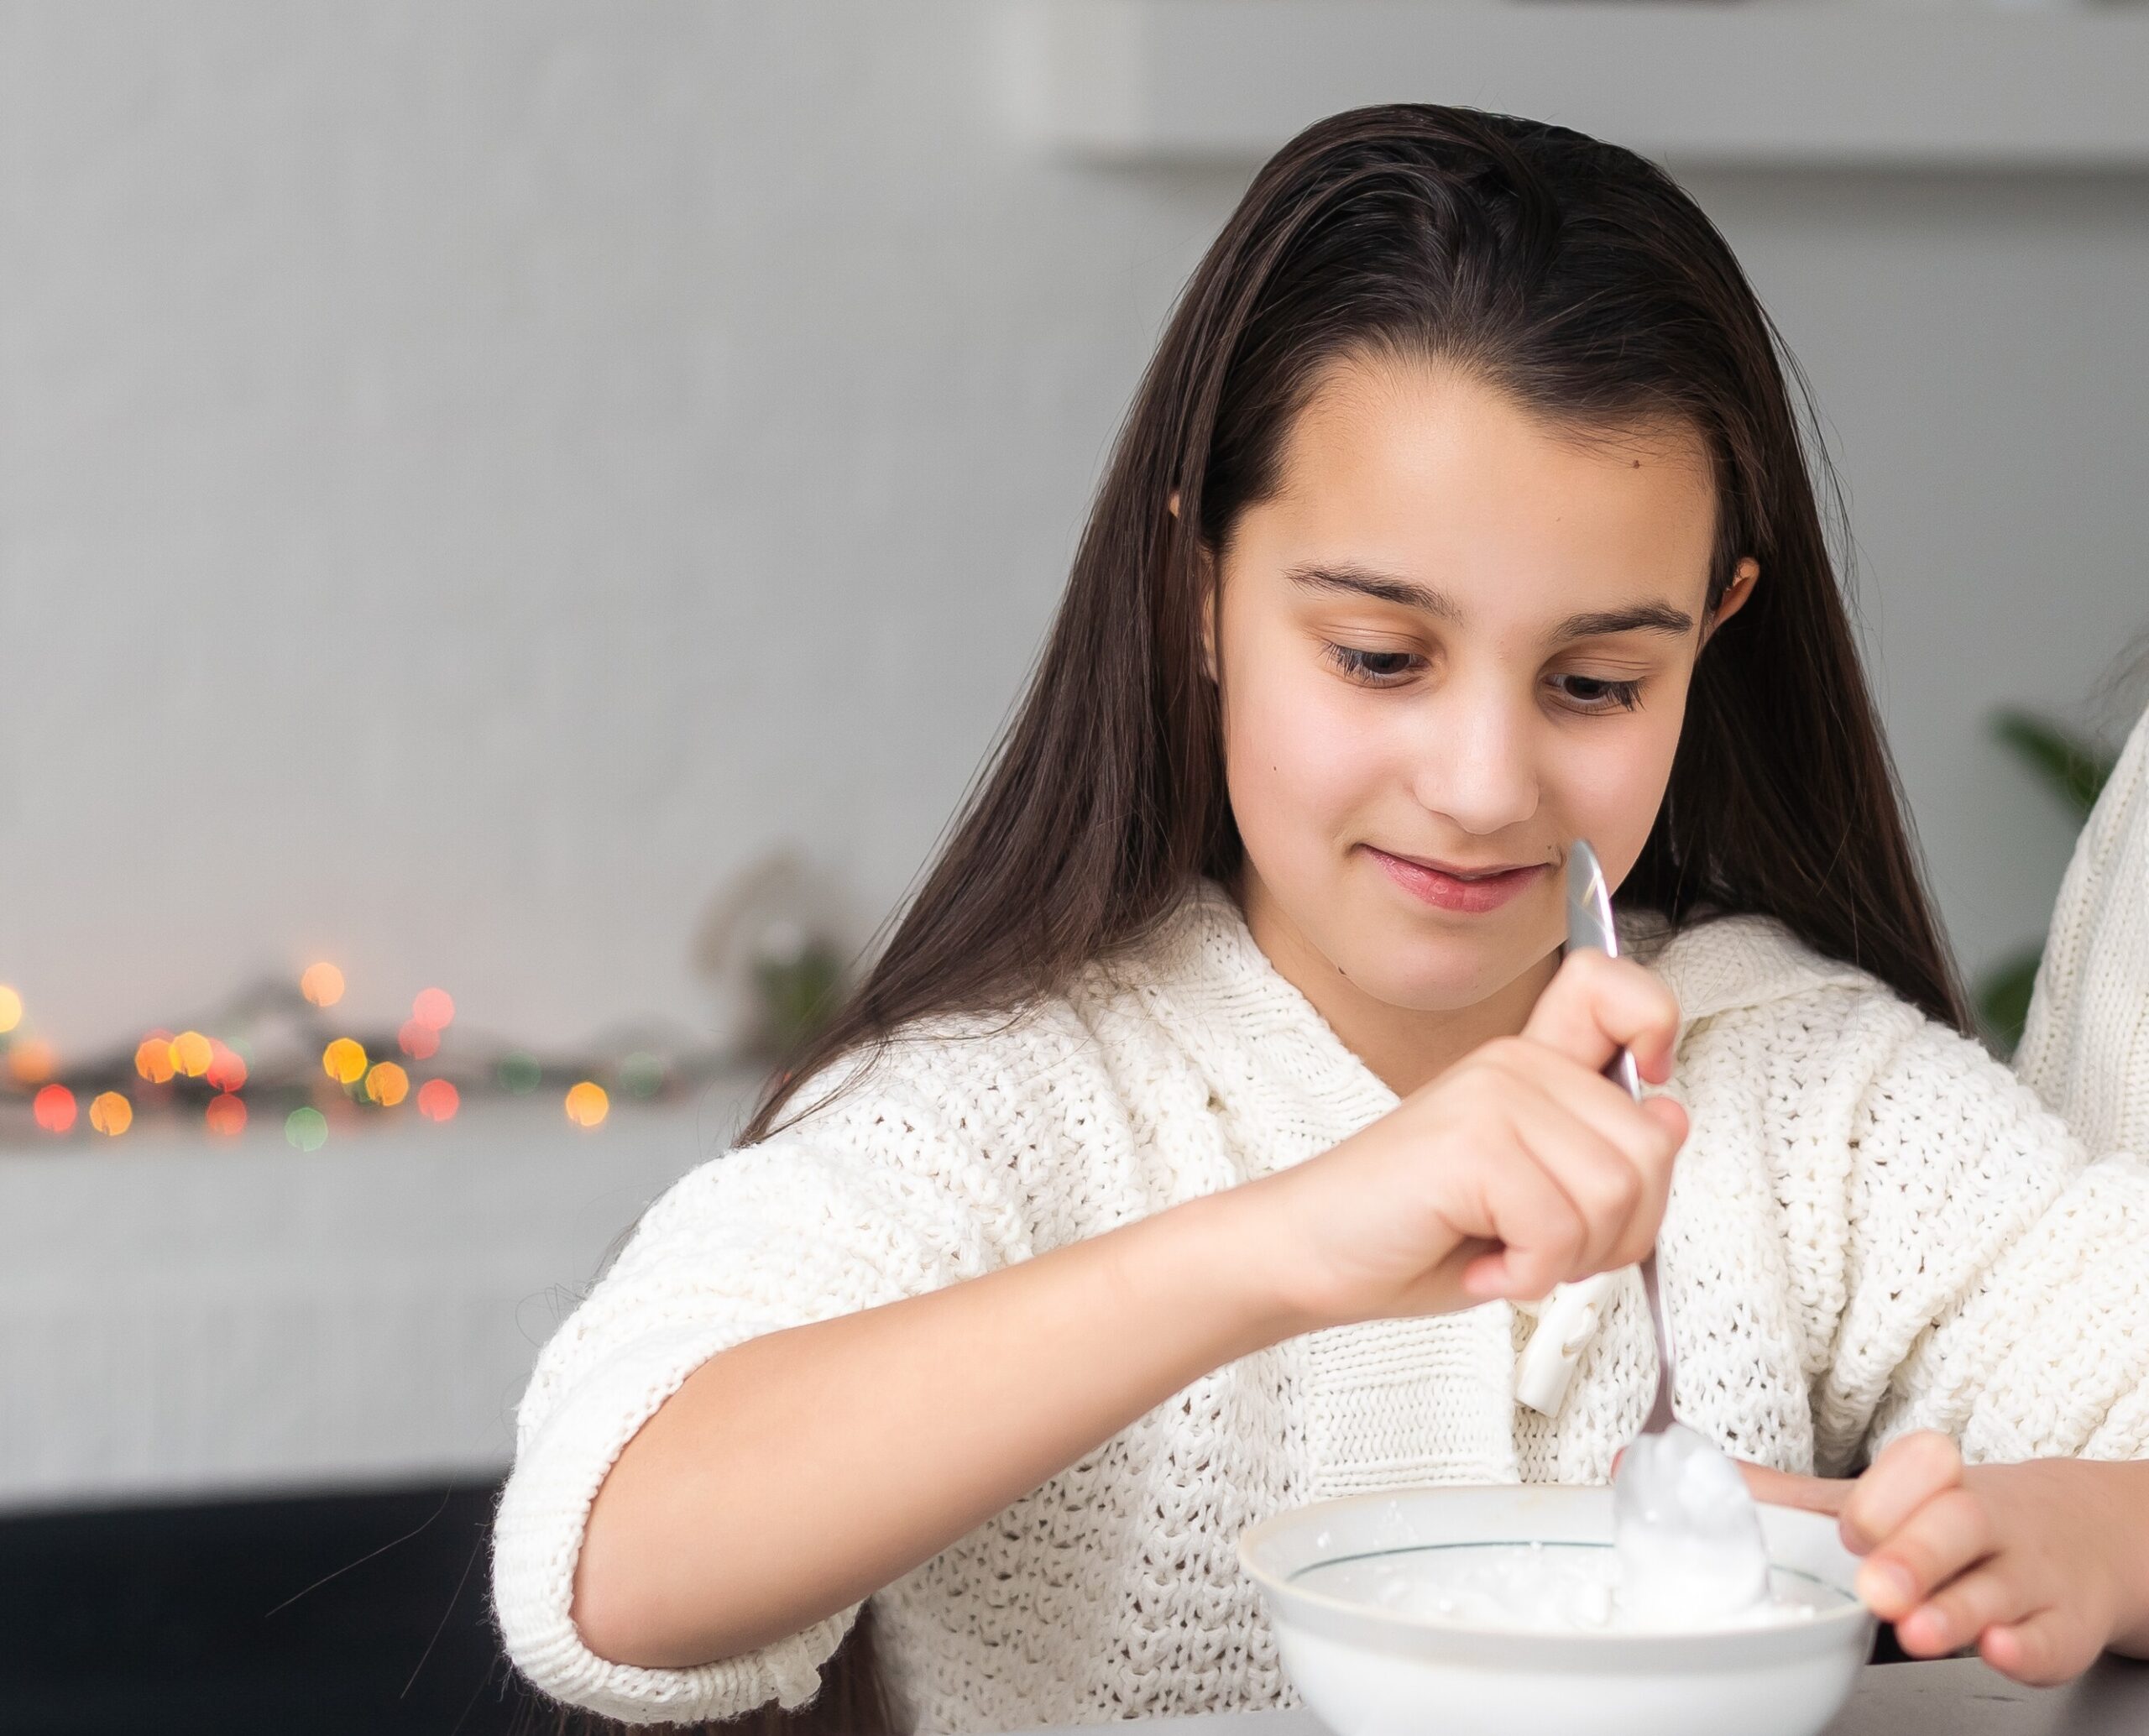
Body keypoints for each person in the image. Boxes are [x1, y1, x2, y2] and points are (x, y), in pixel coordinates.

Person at [490, 106, 2149, 1733]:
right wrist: (1287, 1237)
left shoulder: (1799, 1092)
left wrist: (2081, 1530)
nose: (1484, 779)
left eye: (1592, 681)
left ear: (1709, 633)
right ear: (1193, 590)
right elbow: (605, 1559)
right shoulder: (1023, 1097)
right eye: (1377, 656)